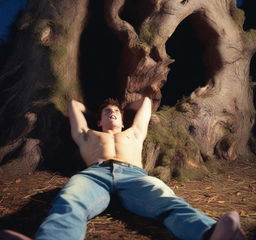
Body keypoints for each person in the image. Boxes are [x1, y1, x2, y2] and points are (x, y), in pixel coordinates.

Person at [0, 97, 246, 240]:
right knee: (70, 200)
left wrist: (125, 106)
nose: (113, 113)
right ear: (99, 119)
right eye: (108, 112)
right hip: (94, 175)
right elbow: (74, 104)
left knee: (167, 202)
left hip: (134, 175)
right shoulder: (87, 134)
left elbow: (147, 103)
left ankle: (210, 233)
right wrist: (94, 110)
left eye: (116, 112)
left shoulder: (135, 133)